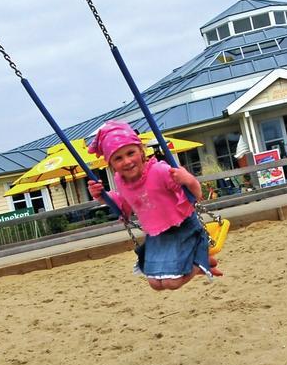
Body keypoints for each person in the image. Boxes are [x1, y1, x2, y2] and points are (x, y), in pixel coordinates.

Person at [87, 120, 221, 290]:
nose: (127, 161)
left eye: (130, 153)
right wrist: (102, 196)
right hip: (157, 235)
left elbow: (196, 195)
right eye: (118, 158)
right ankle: (199, 262)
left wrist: (187, 179)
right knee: (155, 284)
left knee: (171, 283)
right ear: (111, 164)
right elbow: (124, 205)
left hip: (183, 228)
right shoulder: (120, 181)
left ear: (141, 152)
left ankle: (198, 263)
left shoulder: (159, 171)